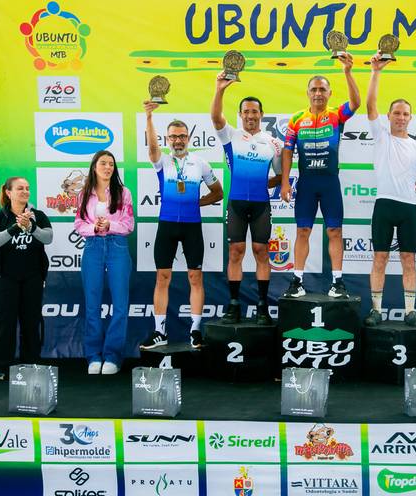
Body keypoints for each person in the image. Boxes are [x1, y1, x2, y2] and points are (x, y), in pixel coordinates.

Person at [140, 102, 224, 350]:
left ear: (189, 138)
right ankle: (160, 332)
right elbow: (152, 148)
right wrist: (149, 117)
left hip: (192, 227)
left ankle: (195, 330)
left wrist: (197, 202)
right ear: (167, 139)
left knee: (195, 277)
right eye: (173, 137)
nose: (178, 140)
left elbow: (218, 192)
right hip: (166, 225)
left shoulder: (200, 163)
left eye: (182, 136)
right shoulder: (162, 161)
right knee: (162, 277)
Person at [280, 51, 361, 298]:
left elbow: (356, 103)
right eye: (314, 89)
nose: (318, 93)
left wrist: (347, 71)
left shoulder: (336, 115)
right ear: (308, 93)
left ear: (329, 93)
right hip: (306, 182)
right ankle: (297, 281)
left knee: (334, 231)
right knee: (302, 231)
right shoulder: (296, 119)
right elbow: (287, 151)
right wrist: (284, 182)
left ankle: (338, 282)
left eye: (322, 89)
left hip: (329, 182)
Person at [362, 52, 416, 328]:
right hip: (384, 205)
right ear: (389, 116)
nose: (401, 117)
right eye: (397, 113)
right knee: (379, 257)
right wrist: (376, 72)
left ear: (410, 118)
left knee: (408, 259)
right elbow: (370, 105)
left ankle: (410, 311)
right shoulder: (381, 136)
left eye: (405, 114)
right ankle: (376, 310)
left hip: (408, 208)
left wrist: (406, 189)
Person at [210, 72, 283, 325]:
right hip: (237, 203)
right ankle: (233, 306)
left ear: (261, 114)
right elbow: (215, 117)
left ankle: (262, 307)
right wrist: (220, 89)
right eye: (246, 112)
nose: (250, 116)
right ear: (240, 115)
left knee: (261, 251)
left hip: (261, 204)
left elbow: (279, 176)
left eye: (254, 112)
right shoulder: (230, 135)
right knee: (236, 252)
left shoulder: (273, 143)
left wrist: (262, 183)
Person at [0, 177, 52, 381]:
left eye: (27, 188)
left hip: (32, 277)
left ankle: (30, 364)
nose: (25, 191)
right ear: (8, 192)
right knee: (4, 322)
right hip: (5, 278)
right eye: (20, 188)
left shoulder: (38, 216)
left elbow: (48, 237)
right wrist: (15, 227)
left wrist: (31, 226)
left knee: (31, 321)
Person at [74, 150, 134, 375]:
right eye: (103, 163)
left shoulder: (123, 192)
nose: (108, 167)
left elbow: (129, 224)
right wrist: (94, 228)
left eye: (111, 164)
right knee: (92, 304)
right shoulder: (84, 194)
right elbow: (79, 223)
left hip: (118, 246)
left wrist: (110, 225)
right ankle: (93, 355)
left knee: (120, 305)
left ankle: (112, 356)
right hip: (93, 247)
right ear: (94, 167)